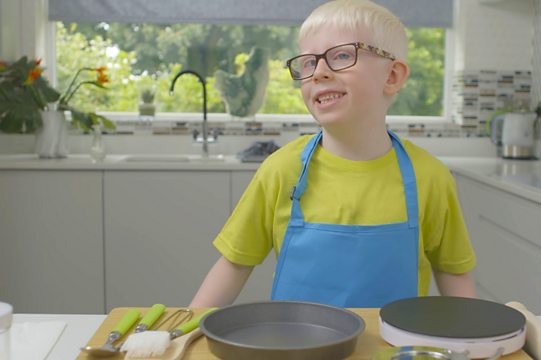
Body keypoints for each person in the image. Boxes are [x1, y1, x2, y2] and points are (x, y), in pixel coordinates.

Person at [190, 0, 477, 308]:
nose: (319, 73)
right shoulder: (281, 170)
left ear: (392, 76)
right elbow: (234, 263)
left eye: (341, 55)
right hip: (297, 349)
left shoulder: (430, 177)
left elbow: (453, 273)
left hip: (393, 352)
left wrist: (476, 342)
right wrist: (185, 332)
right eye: (309, 62)